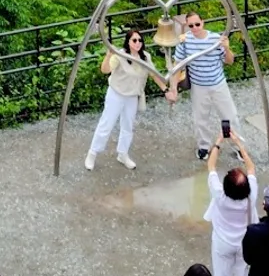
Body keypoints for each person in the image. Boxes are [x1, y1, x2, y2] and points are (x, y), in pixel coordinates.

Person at [85, 27, 173, 171]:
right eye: (134, 40)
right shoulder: (120, 55)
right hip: (116, 94)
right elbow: (105, 70)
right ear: (128, 41)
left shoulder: (145, 57)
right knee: (106, 124)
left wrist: (166, 90)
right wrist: (108, 56)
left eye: (140, 40)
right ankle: (92, 153)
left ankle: (123, 153)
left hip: (132, 96)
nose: (137, 43)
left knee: (128, 126)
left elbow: (154, 75)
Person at [166, 9, 242, 160]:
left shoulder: (214, 39)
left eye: (197, 24)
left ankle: (238, 146)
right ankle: (203, 147)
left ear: (203, 23)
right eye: (191, 26)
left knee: (230, 116)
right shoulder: (185, 41)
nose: (195, 28)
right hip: (199, 86)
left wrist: (226, 47)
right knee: (200, 119)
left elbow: (229, 61)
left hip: (218, 84)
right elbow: (178, 65)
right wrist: (173, 88)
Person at [204, 131, 258, 276]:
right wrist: (239, 145)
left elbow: (211, 166)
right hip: (245, 244)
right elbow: (251, 168)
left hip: (222, 242)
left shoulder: (219, 195)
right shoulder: (251, 197)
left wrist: (218, 142)